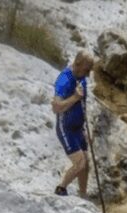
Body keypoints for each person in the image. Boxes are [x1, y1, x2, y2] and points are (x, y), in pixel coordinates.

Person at [51, 51, 95, 197]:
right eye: (87, 70)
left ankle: (82, 194)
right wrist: (75, 97)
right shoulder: (64, 80)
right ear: (77, 64)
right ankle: (61, 188)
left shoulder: (81, 77)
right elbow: (56, 107)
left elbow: (82, 104)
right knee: (80, 163)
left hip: (78, 128)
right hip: (66, 127)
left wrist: (84, 129)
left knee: (86, 163)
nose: (88, 74)